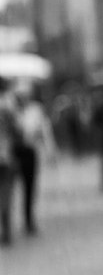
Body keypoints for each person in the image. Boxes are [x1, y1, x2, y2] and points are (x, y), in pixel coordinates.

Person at [13, 80, 57, 235]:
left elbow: (45, 131)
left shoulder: (36, 110)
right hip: (13, 153)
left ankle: (28, 220)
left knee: (29, 188)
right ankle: (6, 222)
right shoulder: (9, 110)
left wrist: (50, 151)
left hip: (29, 152)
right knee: (8, 189)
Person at [0, 76, 21, 246]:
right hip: (5, 156)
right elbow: (18, 129)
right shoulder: (7, 104)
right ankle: (6, 230)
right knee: (6, 193)